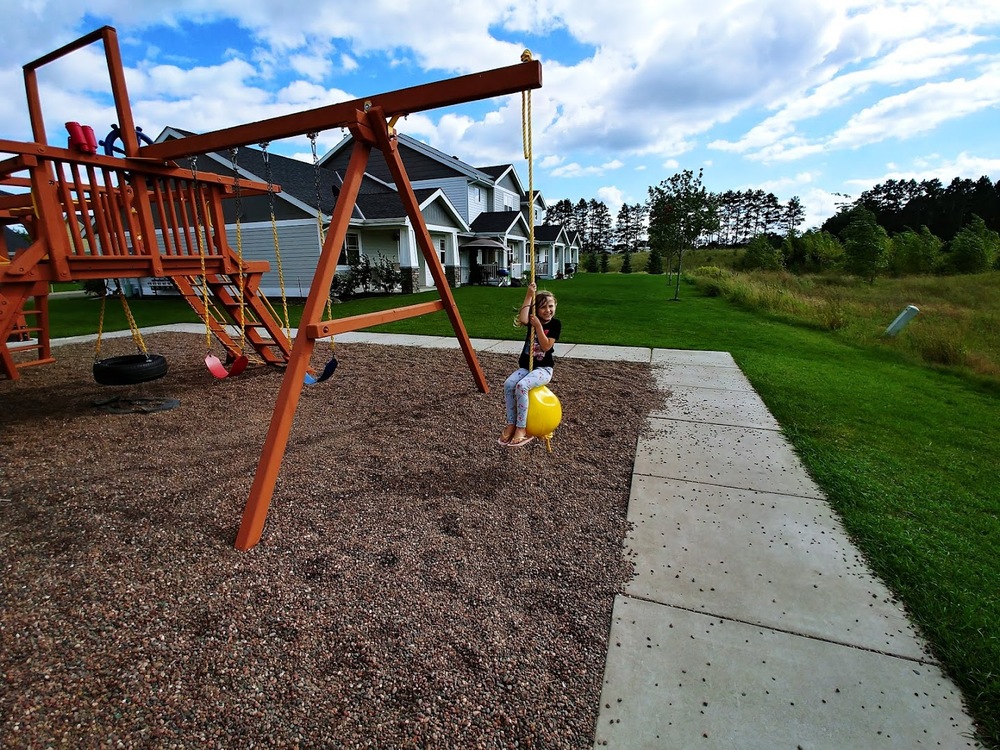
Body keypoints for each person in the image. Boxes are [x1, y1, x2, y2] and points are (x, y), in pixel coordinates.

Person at [498, 282, 561, 448]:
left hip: (543, 369)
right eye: (543, 307)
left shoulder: (555, 324)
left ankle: (521, 428)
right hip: (527, 367)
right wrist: (528, 294)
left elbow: (547, 346)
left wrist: (539, 327)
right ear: (536, 310)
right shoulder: (533, 320)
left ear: (555, 305)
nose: (548, 310)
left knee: (522, 386)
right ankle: (511, 423)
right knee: (509, 384)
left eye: (551, 306)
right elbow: (522, 318)